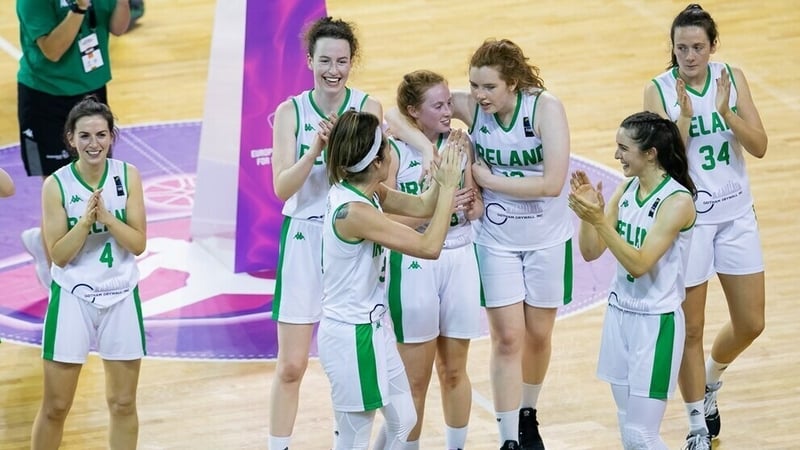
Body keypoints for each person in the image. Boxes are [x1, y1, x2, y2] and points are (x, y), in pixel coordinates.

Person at [386, 38, 572, 450]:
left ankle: (528, 414)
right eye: (473, 86)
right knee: (508, 338)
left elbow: (553, 183)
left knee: (538, 335)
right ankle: (508, 438)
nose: (477, 96)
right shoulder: (470, 107)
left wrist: (486, 181)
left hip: (546, 236)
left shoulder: (545, 109)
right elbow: (397, 113)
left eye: (488, 87)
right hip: (496, 238)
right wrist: (423, 149)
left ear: (514, 83)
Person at [643, 4, 768, 448]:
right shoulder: (658, 89)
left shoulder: (731, 78)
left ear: (713, 46)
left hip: (735, 216)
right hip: (690, 221)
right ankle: (696, 424)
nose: (690, 56)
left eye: (698, 47)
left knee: (752, 323)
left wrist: (727, 113)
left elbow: (760, 146)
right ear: (672, 49)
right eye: (681, 48)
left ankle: (713, 378)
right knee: (690, 329)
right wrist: (683, 119)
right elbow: (664, 162)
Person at [269, 16, 383, 450]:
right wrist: (317, 148)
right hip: (303, 237)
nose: (333, 70)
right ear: (309, 62)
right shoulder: (290, 112)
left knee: (345, 361)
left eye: (342, 61)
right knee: (292, 365)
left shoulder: (367, 108)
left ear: (352, 62)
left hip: (351, 241)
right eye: (324, 61)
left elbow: (374, 179)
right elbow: (283, 187)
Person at [319, 110, 465, 450]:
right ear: (374, 163)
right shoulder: (355, 213)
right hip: (351, 335)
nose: (391, 150)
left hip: (372, 327)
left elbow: (424, 207)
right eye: (386, 146)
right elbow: (429, 246)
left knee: (404, 419)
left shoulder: (367, 191)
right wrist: (447, 186)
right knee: (354, 436)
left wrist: (442, 178)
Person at [569, 111, 697, 450]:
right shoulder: (626, 189)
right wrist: (588, 216)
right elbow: (591, 251)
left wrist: (600, 220)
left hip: (656, 323)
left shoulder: (677, 202)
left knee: (642, 433)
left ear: (650, 153)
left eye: (623, 148)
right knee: (628, 428)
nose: (616, 156)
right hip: (619, 314)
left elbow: (639, 264)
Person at [30, 96, 147, 450]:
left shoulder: (128, 175)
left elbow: (139, 244)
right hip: (73, 298)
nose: (93, 144)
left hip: (121, 294)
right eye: (84, 136)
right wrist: (85, 222)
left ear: (112, 137)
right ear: (70, 139)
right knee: (56, 406)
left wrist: (109, 218)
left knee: (123, 403)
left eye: (100, 135)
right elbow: (59, 257)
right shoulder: (56, 185)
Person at [377, 70, 483, 450]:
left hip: (460, 257)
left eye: (448, 103)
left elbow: (476, 205)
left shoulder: (460, 143)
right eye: (437, 105)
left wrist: (471, 206)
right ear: (413, 112)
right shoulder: (394, 152)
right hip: (412, 261)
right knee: (414, 381)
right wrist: (432, 209)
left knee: (455, 371)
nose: (448, 111)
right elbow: (382, 222)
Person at [17, 0, 131, 289]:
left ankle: (55, 246)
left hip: (91, 90)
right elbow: (53, 51)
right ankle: (53, 264)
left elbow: (119, 28)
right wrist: (79, 8)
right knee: (58, 186)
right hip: (47, 95)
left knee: (94, 178)